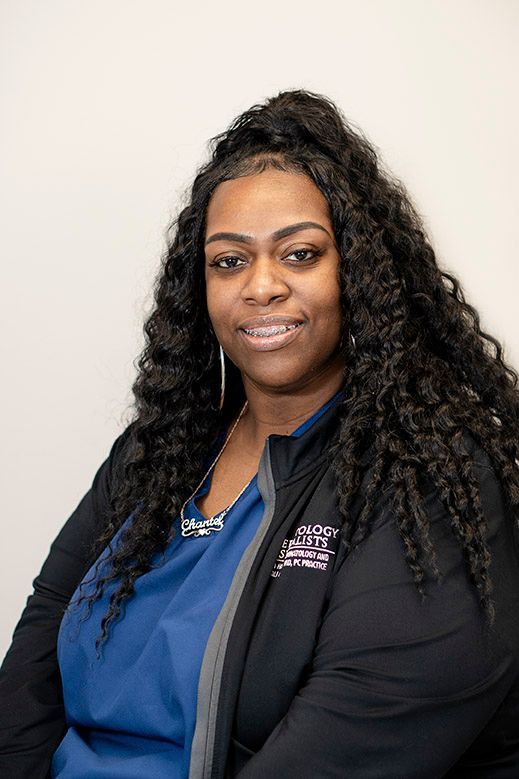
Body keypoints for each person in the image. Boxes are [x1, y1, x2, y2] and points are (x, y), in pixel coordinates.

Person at [1, 89, 519, 779]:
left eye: (300, 254)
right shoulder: (154, 456)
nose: (261, 286)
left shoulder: (425, 478)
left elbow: (345, 744)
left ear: (358, 277)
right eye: (228, 260)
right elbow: (37, 650)